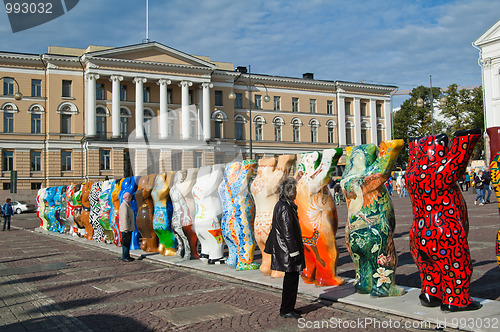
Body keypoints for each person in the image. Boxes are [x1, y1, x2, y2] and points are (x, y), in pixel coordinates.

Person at [265, 177, 305, 319]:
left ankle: (289, 307)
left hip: (287, 250)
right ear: (289, 191)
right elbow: (288, 233)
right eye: (294, 189)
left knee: (291, 281)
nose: (296, 192)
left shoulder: (284, 204)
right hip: (288, 252)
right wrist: (294, 252)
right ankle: (286, 309)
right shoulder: (284, 206)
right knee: (290, 281)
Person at [119, 192, 135, 262]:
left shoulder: (127, 205)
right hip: (126, 228)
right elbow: (124, 217)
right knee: (125, 242)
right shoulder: (124, 206)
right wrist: (126, 228)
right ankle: (125, 256)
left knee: (127, 242)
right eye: (130, 197)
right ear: (127, 198)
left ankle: (127, 255)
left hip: (128, 227)